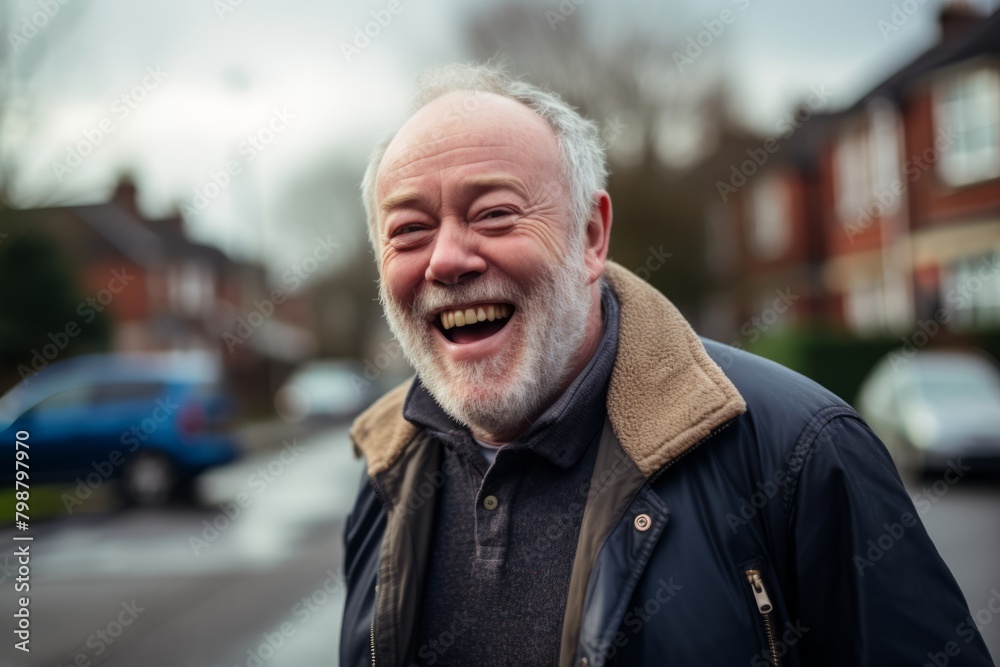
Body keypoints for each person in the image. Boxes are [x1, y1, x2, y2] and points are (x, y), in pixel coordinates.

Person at [339, 62, 996, 667]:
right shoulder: (383, 477)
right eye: (410, 230)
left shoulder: (801, 452)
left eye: (495, 213)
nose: (448, 259)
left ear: (591, 236)